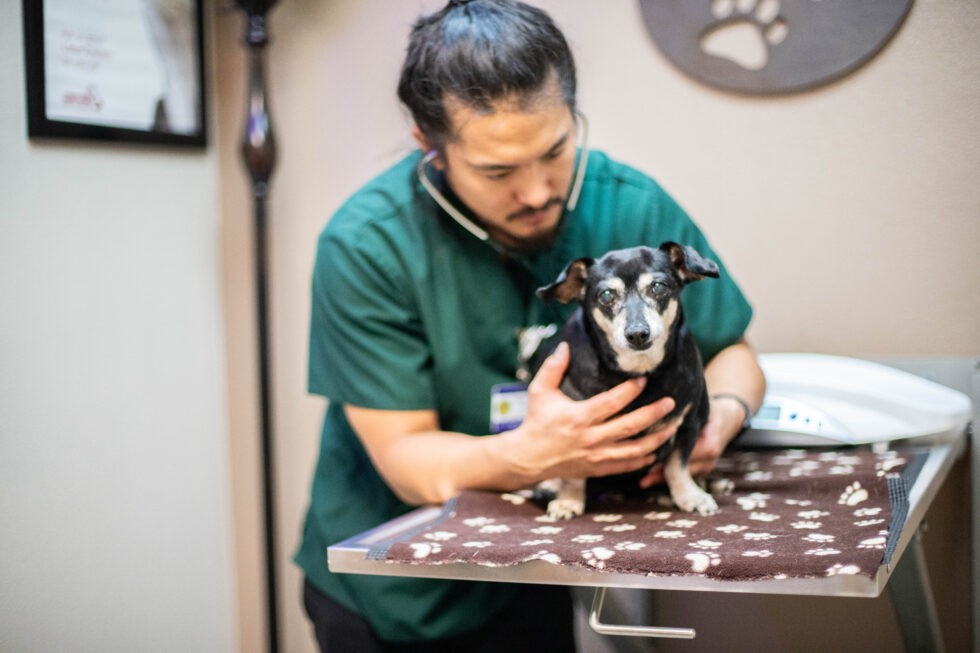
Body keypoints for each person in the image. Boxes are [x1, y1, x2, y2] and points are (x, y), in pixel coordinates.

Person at [295, 1, 766, 650]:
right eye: (498, 171)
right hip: (395, 586)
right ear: (429, 147)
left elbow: (733, 355)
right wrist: (533, 454)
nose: (539, 191)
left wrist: (718, 422)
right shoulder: (366, 245)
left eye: (555, 150)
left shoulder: (629, 206)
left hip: (534, 569)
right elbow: (408, 460)